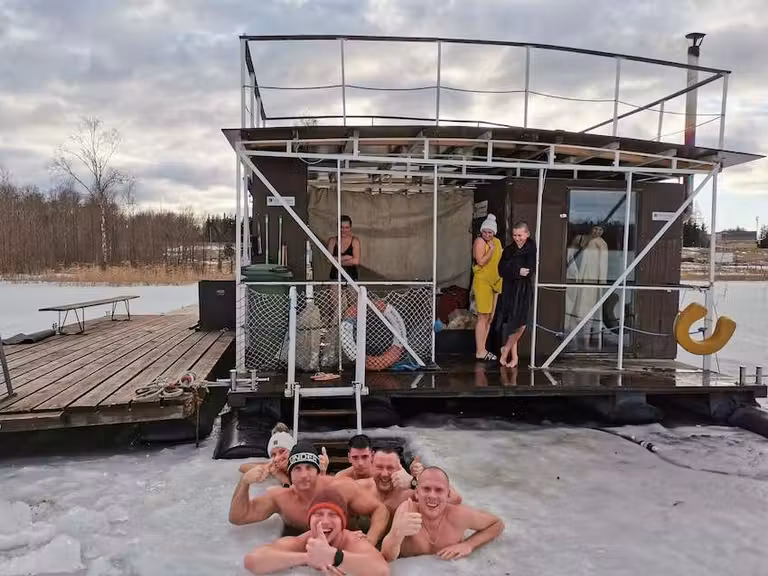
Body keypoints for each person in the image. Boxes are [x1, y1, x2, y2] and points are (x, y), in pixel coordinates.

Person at [229, 441, 390, 543]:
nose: (304, 475)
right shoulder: (280, 498)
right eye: (297, 469)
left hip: (351, 545)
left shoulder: (341, 488)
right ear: (289, 473)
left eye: (309, 468)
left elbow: (379, 510)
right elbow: (238, 517)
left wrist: (371, 538)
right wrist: (244, 483)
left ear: (318, 471)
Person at [243, 488, 390, 576]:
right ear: (309, 520)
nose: (324, 521)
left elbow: (381, 569)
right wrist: (308, 558)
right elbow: (253, 561)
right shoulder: (301, 541)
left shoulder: (352, 540)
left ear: (343, 522)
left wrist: (334, 557)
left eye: (333, 515)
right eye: (318, 514)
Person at [381, 467, 504, 562]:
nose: (432, 496)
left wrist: (468, 545)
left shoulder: (459, 515)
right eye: (426, 489)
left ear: (448, 494)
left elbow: (496, 523)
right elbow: (387, 556)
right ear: (417, 493)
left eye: (439, 490)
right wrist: (397, 534)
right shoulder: (407, 510)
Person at [357, 448, 462, 514]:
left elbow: (456, 499)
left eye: (390, 468)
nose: (384, 474)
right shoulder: (359, 489)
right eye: (379, 467)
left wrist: (417, 481)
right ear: (371, 467)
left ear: (399, 469)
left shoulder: (411, 494)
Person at [495, 221, 536, 368]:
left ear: (527, 234)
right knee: (513, 322)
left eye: (519, 235)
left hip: (524, 289)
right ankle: (515, 357)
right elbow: (501, 270)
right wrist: (517, 271)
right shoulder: (508, 250)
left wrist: (523, 271)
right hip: (511, 288)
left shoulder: (532, 248)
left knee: (522, 323)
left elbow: (531, 269)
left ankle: (505, 349)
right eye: (514, 235)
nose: (517, 238)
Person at [238, 424, 328, 485]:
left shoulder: (304, 464)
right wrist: (268, 469)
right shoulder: (274, 466)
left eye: (282, 451)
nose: (277, 458)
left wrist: (323, 473)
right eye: (273, 454)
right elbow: (243, 467)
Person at [472, 214, 503, 361]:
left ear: (494, 232)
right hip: (483, 281)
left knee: (490, 317)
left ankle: (483, 348)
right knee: (482, 316)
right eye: (485, 231)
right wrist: (490, 250)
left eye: (490, 232)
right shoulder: (479, 242)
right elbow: (481, 261)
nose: (487, 234)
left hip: (495, 281)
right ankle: (480, 350)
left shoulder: (497, 242)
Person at [327, 215, 361, 282]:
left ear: (350, 228)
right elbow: (328, 260)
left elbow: (356, 261)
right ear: (337, 227)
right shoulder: (332, 240)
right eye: (341, 227)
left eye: (346, 227)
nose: (344, 230)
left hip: (351, 275)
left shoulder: (355, 241)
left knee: (352, 292)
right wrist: (346, 257)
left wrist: (336, 261)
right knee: (334, 292)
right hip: (335, 275)